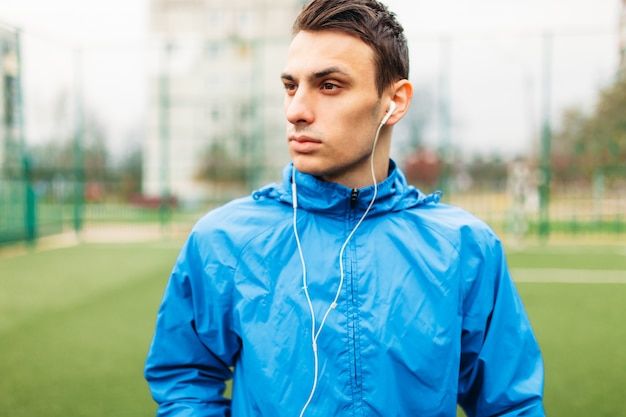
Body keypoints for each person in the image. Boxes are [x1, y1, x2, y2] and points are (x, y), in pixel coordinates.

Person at [144, 0, 546, 416]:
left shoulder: (464, 248)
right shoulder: (224, 240)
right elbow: (185, 380)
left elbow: (510, 403)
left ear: (395, 101)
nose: (296, 110)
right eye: (290, 86)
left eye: (329, 85)